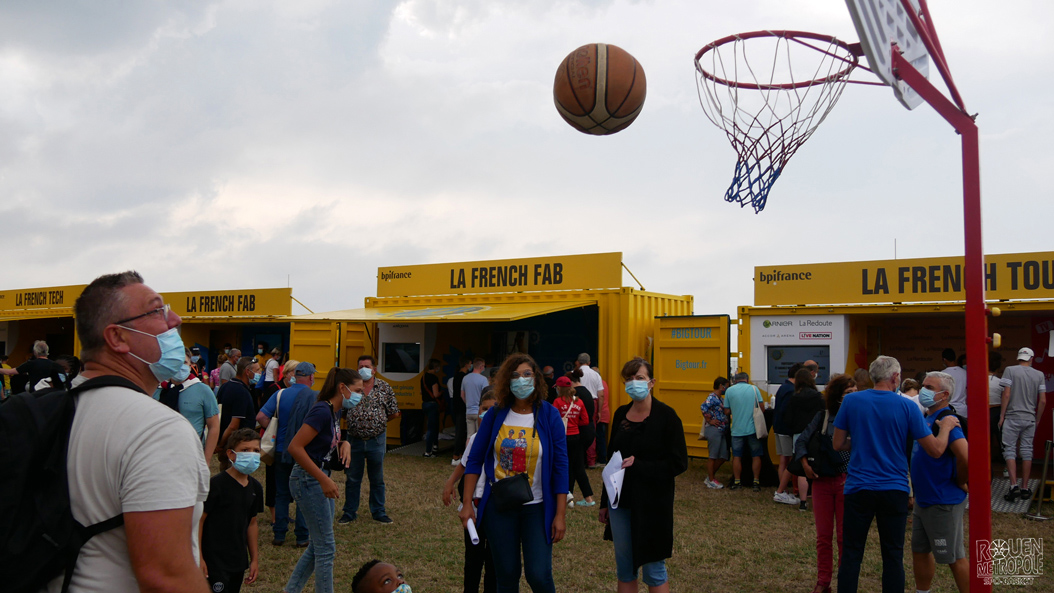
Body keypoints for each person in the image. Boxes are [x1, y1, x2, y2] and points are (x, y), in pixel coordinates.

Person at [55, 271, 210, 592]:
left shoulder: (56, 410)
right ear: (118, 338)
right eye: (157, 311)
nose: (176, 320)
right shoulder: (156, 430)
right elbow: (167, 577)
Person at [832, 355, 961, 593]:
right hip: (894, 488)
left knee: (851, 554)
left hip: (858, 487)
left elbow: (838, 443)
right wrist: (945, 427)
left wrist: (862, 441)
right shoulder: (907, 406)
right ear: (895, 377)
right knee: (892, 555)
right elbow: (936, 449)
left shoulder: (851, 401)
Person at [459, 352, 569, 593]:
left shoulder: (549, 415)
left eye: (527, 374)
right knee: (506, 575)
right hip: (500, 507)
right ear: (507, 381)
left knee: (538, 575)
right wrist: (467, 503)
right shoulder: (496, 414)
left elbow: (561, 467)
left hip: (537, 508)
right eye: (515, 375)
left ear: (537, 378)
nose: (521, 380)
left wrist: (559, 514)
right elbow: (475, 459)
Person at [599, 357, 687, 593]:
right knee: (625, 568)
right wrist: (604, 502)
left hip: (653, 503)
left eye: (639, 378)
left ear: (651, 382)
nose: (633, 383)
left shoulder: (667, 416)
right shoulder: (620, 415)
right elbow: (611, 462)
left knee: (654, 569)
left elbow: (679, 463)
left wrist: (640, 465)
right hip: (620, 502)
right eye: (628, 379)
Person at [282, 367, 362, 593]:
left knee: (318, 546)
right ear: (342, 388)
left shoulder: (334, 411)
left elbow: (323, 442)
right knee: (326, 548)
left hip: (319, 477)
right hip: (308, 479)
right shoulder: (321, 411)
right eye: (356, 390)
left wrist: (343, 443)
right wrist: (323, 480)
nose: (359, 395)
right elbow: (295, 448)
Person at [911, 371, 969, 593]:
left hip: (942, 500)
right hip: (924, 500)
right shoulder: (928, 416)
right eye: (922, 385)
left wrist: (960, 480)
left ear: (944, 394)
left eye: (929, 387)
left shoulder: (947, 420)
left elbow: (965, 456)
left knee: (953, 556)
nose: (923, 390)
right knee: (920, 550)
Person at [796, 374, 854, 593]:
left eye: (855, 392)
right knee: (823, 536)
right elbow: (802, 440)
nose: (852, 396)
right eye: (848, 393)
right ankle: (823, 581)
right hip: (822, 481)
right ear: (837, 395)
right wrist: (805, 464)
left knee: (844, 537)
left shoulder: (858, 417)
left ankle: (844, 582)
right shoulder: (823, 416)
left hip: (846, 481)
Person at [443, 391, 498, 593]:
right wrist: (450, 482)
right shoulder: (475, 438)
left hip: (496, 508)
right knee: (473, 558)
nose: (487, 414)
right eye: (484, 409)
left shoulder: (506, 439)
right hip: (473, 508)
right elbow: (465, 464)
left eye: (493, 409)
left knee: (494, 559)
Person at [199, 428, 263, 593]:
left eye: (256, 451)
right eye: (245, 450)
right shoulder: (216, 486)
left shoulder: (256, 488)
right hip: (214, 561)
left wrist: (254, 559)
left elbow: (252, 523)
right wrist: (199, 556)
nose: (251, 455)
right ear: (231, 454)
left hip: (238, 561)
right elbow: (200, 520)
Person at [255, 359, 310, 547]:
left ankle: (279, 533)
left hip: (280, 450)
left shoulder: (280, 394)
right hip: (303, 452)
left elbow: (261, 416)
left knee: (281, 493)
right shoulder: (313, 397)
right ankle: (302, 536)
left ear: (295, 376)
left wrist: (273, 430)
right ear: (311, 377)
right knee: (303, 492)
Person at [340, 354, 400, 524]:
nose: (363, 369)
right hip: (354, 440)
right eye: (360, 366)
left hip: (376, 440)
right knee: (352, 477)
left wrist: (378, 422)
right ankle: (349, 512)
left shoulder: (384, 387)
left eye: (366, 366)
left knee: (377, 478)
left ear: (374, 369)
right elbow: (343, 411)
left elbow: (394, 412)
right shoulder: (350, 387)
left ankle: (379, 511)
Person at [154, 348, 220, 462]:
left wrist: (207, 460)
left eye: (184, 362)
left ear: (191, 365)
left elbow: (214, 426)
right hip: (159, 453)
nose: (180, 366)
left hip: (191, 455)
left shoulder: (203, 390)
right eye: (175, 362)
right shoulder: (157, 390)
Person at [999, 346, 1047, 502]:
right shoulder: (1039, 374)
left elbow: (1006, 394)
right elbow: (1043, 400)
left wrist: (1002, 415)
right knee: (1027, 451)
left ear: (1018, 358)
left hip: (1012, 416)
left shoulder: (1010, 370)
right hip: (1029, 418)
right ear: (1031, 359)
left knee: (1010, 450)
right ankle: (1025, 487)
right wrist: (1037, 418)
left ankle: (1014, 486)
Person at [784, 368, 826, 511]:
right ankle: (819, 498)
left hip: (798, 434)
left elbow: (788, 417)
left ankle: (802, 501)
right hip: (815, 434)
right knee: (818, 464)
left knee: (802, 467)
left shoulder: (794, 397)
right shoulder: (818, 396)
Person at [553, 376, 594, 506]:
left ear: (559, 388)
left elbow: (553, 420)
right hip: (576, 437)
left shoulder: (557, 402)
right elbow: (585, 421)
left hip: (562, 438)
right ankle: (588, 498)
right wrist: (574, 422)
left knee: (563, 467)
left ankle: (566, 495)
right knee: (578, 467)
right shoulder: (578, 402)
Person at [722, 372, 765, 491]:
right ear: (747, 379)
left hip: (736, 429)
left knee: (737, 456)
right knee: (756, 456)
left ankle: (737, 481)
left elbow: (726, 411)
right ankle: (756, 481)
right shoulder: (754, 389)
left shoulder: (729, 391)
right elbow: (761, 408)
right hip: (753, 429)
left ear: (735, 380)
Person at [217, 357, 258, 471]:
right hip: (237, 446)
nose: (260, 374)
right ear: (247, 372)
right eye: (257, 370)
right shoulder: (241, 392)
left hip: (228, 443)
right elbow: (234, 425)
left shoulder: (225, 387)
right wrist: (221, 444)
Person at [772, 363, 802, 505]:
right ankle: (781, 490)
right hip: (785, 430)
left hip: (778, 428)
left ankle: (782, 490)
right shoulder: (791, 390)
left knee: (783, 460)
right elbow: (786, 411)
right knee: (787, 461)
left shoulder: (783, 387)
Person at [700, 376, 730, 489]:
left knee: (723, 456)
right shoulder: (712, 398)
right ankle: (711, 479)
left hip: (722, 430)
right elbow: (703, 407)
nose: (726, 388)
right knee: (713, 455)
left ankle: (710, 475)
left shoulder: (720, 399)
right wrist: (709, 420)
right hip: (714, 430)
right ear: (720, 386)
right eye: (726, 386)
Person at [575, 354, 604, 467]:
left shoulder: (574, 373)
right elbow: (600, 394)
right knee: (591, 430)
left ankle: (578, 460)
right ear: (589, 362)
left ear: (578, 362)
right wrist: (600, 411)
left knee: (575, 428)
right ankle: (591, 460)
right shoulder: (595, 374)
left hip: (576, 400)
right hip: (592, 402)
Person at [421, 358, 443, 458]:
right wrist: (442, 392)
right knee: (432, 428)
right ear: (436, 367)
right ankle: (429, 451)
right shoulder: (433, 378)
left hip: (425, 404)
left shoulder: (424, 377)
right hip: (432, 404)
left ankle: (433, 447)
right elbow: (435, 394)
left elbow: (421, 392)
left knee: (431, 426)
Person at [462, 358, 489, 438]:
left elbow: (462, 395)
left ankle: (468, 450)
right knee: (479, 436)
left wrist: (468, 404)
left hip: (468, 411)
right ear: (481, 366)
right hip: (479, 411)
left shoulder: (465, 378)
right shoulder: (483, 379)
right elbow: (487, 395)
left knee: (469, 436)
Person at [452, 357, 472, 466]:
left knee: (461, 431)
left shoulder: (457, 376)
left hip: (457, 407)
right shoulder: (463, 377)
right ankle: (456, 455)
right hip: (462, 407)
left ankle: (459, 455)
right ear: (466, 364)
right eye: (470, 363)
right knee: (461, 431)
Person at [988, 350, 1005, 464]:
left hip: (982, 412)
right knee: (1002, 440)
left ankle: (984, 462)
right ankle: (1005, 466)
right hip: (998, 412)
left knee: (984, 441)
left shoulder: (978, 381)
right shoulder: (1001, 382)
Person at [941, 348, 968, 418]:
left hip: (948, 410)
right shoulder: (965, 373)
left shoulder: (942, 374)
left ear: (944, 360)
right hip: (963, 411)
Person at [594, 366, 611, 465]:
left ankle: (601, 459)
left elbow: (600, 397)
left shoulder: (598, 384)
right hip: (605, 413)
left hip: (600, 414)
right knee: (602, 437)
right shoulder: (604, 383)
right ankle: (602, 458)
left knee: (599, 437)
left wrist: (598, 412)